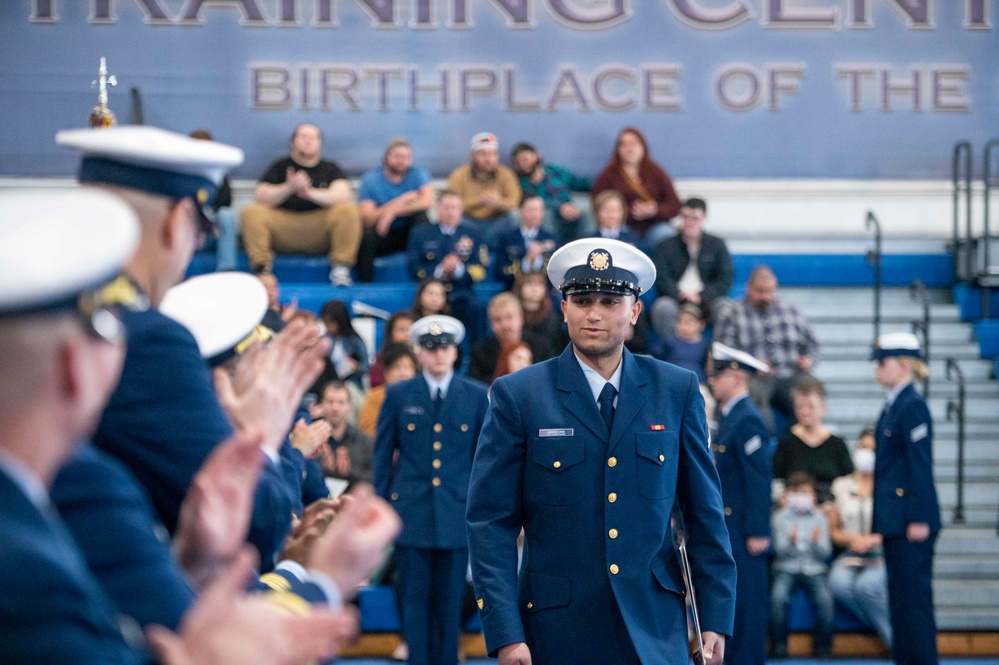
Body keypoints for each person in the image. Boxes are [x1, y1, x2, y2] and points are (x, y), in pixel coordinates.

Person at [0, 191, 362, 665]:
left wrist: (194, 565)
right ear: (75, 368)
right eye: (109, 330)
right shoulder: (61, 520)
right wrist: (324, 581)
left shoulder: (57, 493)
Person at [467, 238, 737, 665]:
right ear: (563, 308)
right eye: (582, 299)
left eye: (610, 301)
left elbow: (704, 513)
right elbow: (490, 524)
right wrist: (504, 632)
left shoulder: (675, 390)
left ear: (634, 311)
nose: (594, 313)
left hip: (654, 630)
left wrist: (715, 615)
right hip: (553, 633)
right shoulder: (518, 395)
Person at [55, 125, 309, 567]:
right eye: (200, 229)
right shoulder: (151, 341)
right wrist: (261, 437)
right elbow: (253, 524)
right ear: (177, 223)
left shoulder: (50, 315)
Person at [374, 316, 490, 665]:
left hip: (456, 514)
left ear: (456, 352)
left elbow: (483, 462)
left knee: (450, 605)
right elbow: (382, 458)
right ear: (420, 353)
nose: (438, 355)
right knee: (414, 606)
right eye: (430, 349)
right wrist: (380, 513)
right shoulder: (397, 395)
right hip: (411, 514)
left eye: (445, 348)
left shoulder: (475, 396)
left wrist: (482, 511)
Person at [871, 332, 941, 665]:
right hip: (896, 520)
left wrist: (919, 517)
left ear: (902, 365)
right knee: (901, 603)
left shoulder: (912, 406)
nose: (877, 369)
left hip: (909, 520)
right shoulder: (896, 404)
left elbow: (919, 466)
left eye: (882, 362)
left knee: (914, 604)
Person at [706, 342, 773, 665]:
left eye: (718, 375)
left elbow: (758, 480)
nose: (713, 382)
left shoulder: (746, 419)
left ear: (737, 377)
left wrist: (759, 529)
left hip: (745, 529)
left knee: (747, 607)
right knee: (737, 604)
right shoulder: (733, 416)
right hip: (732, 527)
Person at [240, 123, 362, 286]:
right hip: (283, 228)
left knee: (348, 211)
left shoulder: (330, 169)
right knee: (251, 212)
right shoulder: (280, 166)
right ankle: (262, 269)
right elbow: (261, 196)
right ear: (292, 143)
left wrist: (309, 192)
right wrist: (289, 187)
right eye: (303, 137)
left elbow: (342, 195)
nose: (308, 141)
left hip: (319, 229)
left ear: (320, 143)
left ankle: (341, 268)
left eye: (313, 138)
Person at [715, 265, 819, 433]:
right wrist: (751, 365)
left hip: (790, 373)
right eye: (760, 291)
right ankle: (765, 443)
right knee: (753, 392)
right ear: (749, 288)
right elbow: (724, 350)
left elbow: (812, 342)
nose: (766, 296)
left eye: (770, 291)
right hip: (754, 376)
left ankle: (802, 444)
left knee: (809, 390)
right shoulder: (733, 312)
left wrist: (808, 359)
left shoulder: (789, 311)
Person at [828, 428, 893, 650]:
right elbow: (834, 530)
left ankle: (897, 642)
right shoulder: (841, 485)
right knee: (839, 583)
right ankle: (891, 625)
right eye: (864, 448)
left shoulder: (888, 486)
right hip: (850, 553)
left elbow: (893, 527)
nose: (868, 453)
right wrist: (851, 539)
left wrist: (873, 540)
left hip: (881, 555)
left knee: (867, 586)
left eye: (873, 449)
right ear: (856, 450)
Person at [407, 190, 488, 345]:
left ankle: (477, 356)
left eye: (454, 208)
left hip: (461, 294)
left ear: (461, 210)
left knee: (477, 309)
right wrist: (439, 270)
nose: (450, 212)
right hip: (429, 295)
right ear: (438, 208)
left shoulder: (474, 234)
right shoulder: (420, 233)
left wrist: (458, 269)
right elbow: (413, 268)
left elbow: (481, 270)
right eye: (446, 207)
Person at [770, 472, 835, 659]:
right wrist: (791, 542)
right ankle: (779, 646)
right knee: (778, 598)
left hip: (815, 568)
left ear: (813, 495)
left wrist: (815, 543)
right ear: (790, 495)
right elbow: (779, 552)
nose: (802, 497)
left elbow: (826, 553)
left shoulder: (820, 518)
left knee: (825, 601)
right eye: (798, 493)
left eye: (806, 493)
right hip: (786, 568)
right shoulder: (780, 517)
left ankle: (823, 647)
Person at [650, 197, 734, 340]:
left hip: (706, 301)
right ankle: (673, 352)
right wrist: (679, 294)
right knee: (662, 307)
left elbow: (725, 277)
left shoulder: (716, 245)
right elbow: (661, 277)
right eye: (686, 217)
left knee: (725, 307)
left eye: (694, 218)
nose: (689, 222)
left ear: (704, 218)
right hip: (676, 299)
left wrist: (702, 295)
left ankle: (716, 356)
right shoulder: (666, 246)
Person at [356, 137, 434, 282]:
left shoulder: (418, 174)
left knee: (421, 219)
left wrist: (393, 212)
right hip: (383, 233)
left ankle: (425, 282)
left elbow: (426, 201)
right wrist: (399, 201)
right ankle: (365, 286)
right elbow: (367, 218)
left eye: (406, 157)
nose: (401, 161)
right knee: (365, 236)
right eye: (397, 156)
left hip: (409, 233)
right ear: (386, 158)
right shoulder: (371, 179)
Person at [591, 127, 681, 249]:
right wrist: (626, 212)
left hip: (653, 226)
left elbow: (674, 205)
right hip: (621, 226)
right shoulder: (608, 175)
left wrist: (654, 210)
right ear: (618, 149)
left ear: (643, 147)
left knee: (666, 234)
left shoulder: (656, 172)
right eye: (624, 144)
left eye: (634, 143)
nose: (630, 149)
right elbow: (597, 203)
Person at [772, 377, 853, 504]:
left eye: (811, 407)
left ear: (823, 408)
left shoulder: (837, 444)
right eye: (800, 407)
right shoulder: (786, 442)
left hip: (830, 508)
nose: (805, 412)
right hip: (794, 509)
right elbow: (776, 479)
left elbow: (849, 480)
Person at [447, 132, 522, 247]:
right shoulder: (459, 175)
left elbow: (515, 202)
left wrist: (498, 203)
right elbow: (450, 204)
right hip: (469, 222)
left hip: (496, 223)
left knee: (514, 216)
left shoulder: (506, 174)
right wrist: (479, 200)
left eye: (493, 154)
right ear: (472, 155)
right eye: (483, 154)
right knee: (453, 217)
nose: (489, 159)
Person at [510, 141, 593, 241]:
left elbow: (578, 182)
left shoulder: (555, 171)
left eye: (525, 159)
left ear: (537, 155)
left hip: (569, 212)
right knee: (547, 215)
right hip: (547, 217)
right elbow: (529, 202)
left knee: (587, 214)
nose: (523, 164)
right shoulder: (520, 183)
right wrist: (559, 206)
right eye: (519, 162)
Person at [468, 292, 549, 385]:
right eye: (497, 320)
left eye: (509, 317)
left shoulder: (539, 346)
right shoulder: (480, 352)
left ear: (520, 318)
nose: (504, 325)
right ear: (490, 324)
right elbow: (474, 387)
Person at [190, 129, 238, 271]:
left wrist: (206, 226)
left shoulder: (219, 173)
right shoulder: (181, 173)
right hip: (187, 233)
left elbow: (225, 201)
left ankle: (226, 270)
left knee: (225, 214)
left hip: (211, 234)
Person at [314, 380, 374, 486]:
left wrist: (350, 472)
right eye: (330, 402)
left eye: (341, 402)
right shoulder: (312, 439)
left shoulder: (365, 442)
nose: (335, 408)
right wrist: (321, 469)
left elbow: (374, 478)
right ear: (322, 404)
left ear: (349, 406)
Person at [496, 194, 560, 289]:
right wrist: (526, 261)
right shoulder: (507, 238)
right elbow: (500, 272)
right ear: (520, 210)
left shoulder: (553, 239)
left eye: (539, 210)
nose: (535, 215)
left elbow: (558, 274)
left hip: (545, 294)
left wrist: (538, 261)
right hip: (513, 290)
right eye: (530, 210)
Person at [359, 342, 419, 438]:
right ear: (386, 372)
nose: (403, 373)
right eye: (396, 367)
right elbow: (368, 431)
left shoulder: (422, 396)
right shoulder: (374, 398)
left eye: (407, 367)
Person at [512, 271, 567, 363]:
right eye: (529, 284)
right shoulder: (513, 316)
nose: (534, 289)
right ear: (520, 287)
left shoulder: (553, 318)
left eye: (539, 284)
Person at [653, 303, 711, 383]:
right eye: (680, 322)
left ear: (701, 325)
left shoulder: (704, 346)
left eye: (688, 322)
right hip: (670, 382)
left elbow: (708, 369)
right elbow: (656, 360)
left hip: (696, 384)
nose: (683, 326)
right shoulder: (670, 342)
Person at [319, 300, 370, 391]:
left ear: (340, 321)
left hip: (351, 384)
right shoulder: (323, 340)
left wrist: (356, 366)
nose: (327, 326)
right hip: (328, 385)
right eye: (325, 322)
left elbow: (366, 366)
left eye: (330, 323)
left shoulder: (355, 340)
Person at [369, 310, 416, 388]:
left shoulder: (422, 357)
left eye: (410, 330)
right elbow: (375, 383)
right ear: (391, 332)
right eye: (401, 329)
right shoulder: (381, 358)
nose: (407, 334)